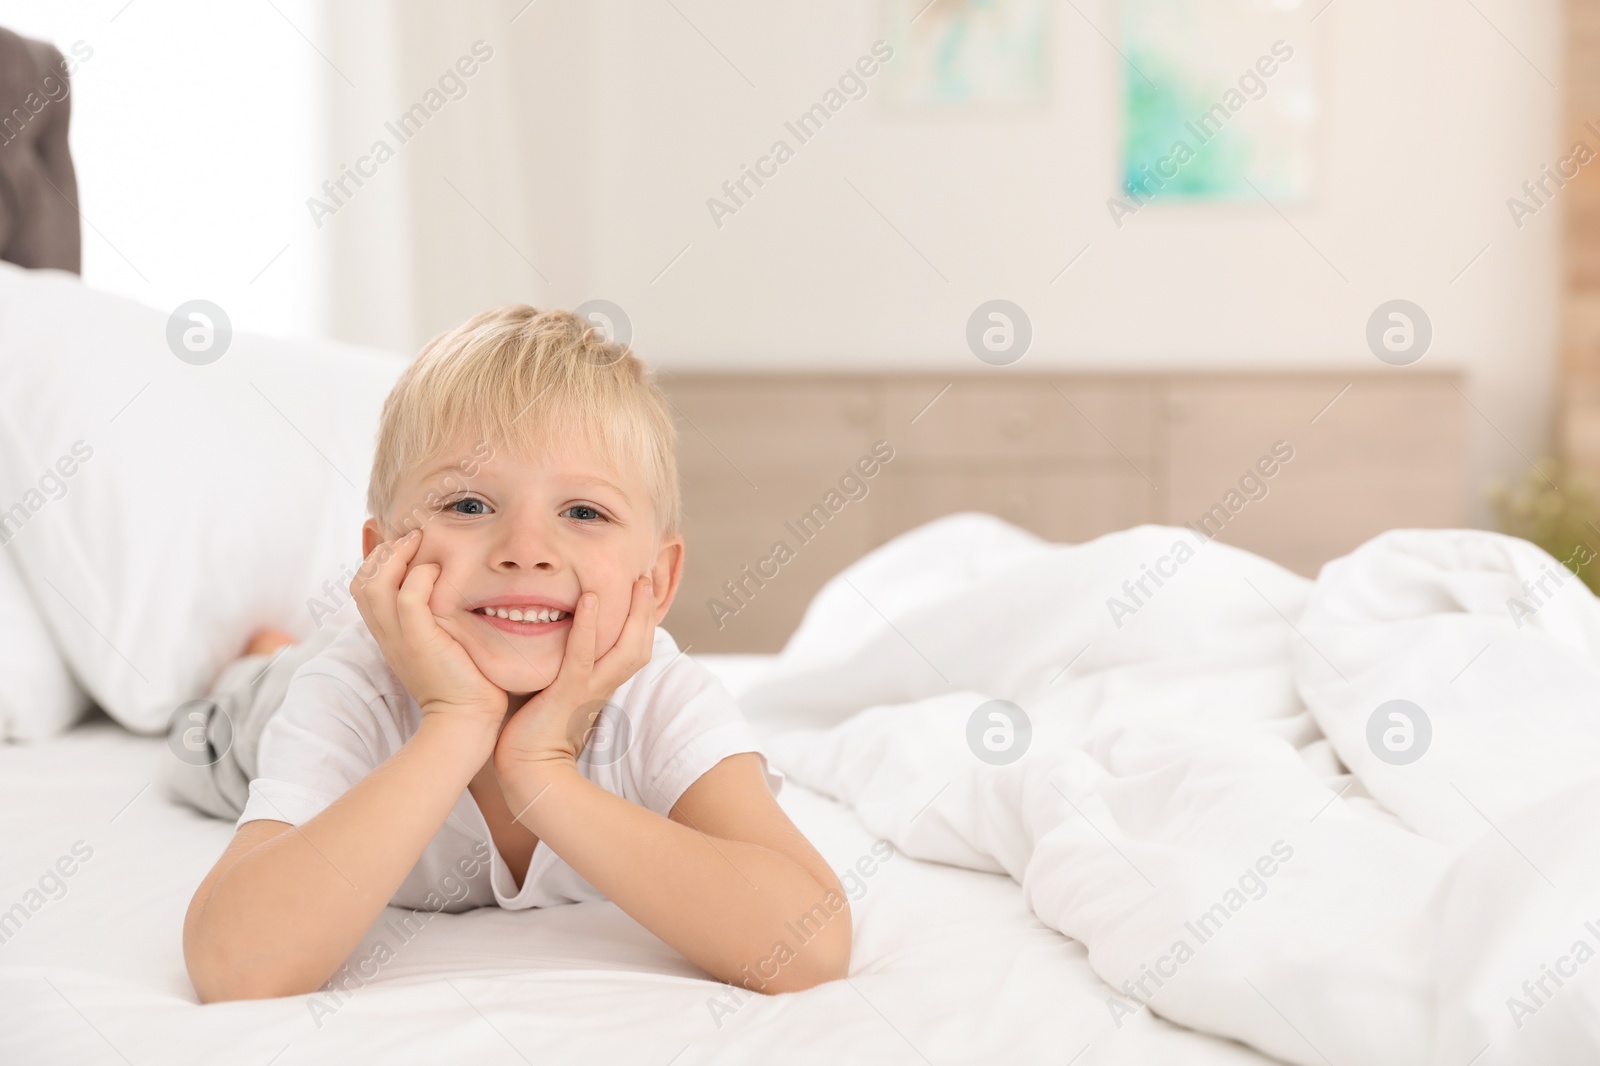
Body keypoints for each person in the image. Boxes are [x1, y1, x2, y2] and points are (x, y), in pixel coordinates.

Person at [176, 306, 850, 1001]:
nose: (525, 551)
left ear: (658, 582)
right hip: (269, 704)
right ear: (382, 561)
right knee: (217, 727)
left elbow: (810, 945)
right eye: (468, 505)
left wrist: (541, 771)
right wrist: (454, 723)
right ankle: (261, 658)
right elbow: (235, 966)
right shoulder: (349, 689)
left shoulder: (658, 700)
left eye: (584, 513)